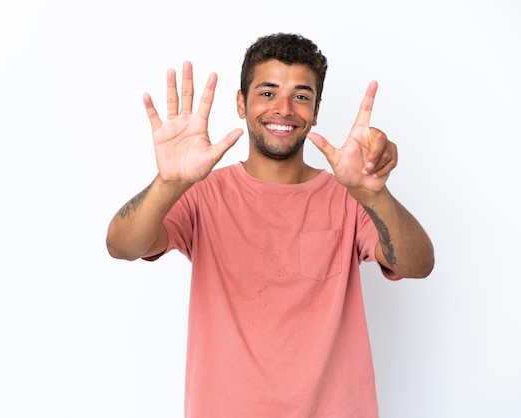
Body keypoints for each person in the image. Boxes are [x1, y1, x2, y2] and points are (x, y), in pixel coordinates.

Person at [106, 32, 434, 417]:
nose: (284, 108)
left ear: (316, 110)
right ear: (241, 103)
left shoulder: (347, 196)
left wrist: (373, 194)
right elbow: (122, 246)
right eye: (267, 92)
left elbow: (418, 265)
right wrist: (169, 183)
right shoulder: (202, 194)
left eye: (301, 95)